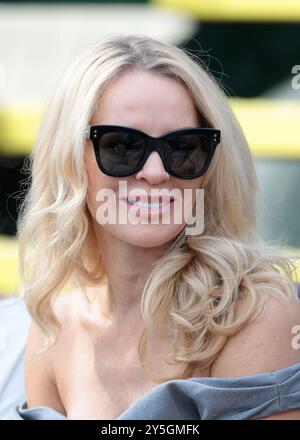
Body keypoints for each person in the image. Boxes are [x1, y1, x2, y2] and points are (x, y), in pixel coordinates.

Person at [15, 34, 300, 420]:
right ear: (69, 159)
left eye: (183, 148)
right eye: (121, 146)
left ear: (210, 164)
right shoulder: (52, 327)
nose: (155, 172)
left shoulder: (256, 314)